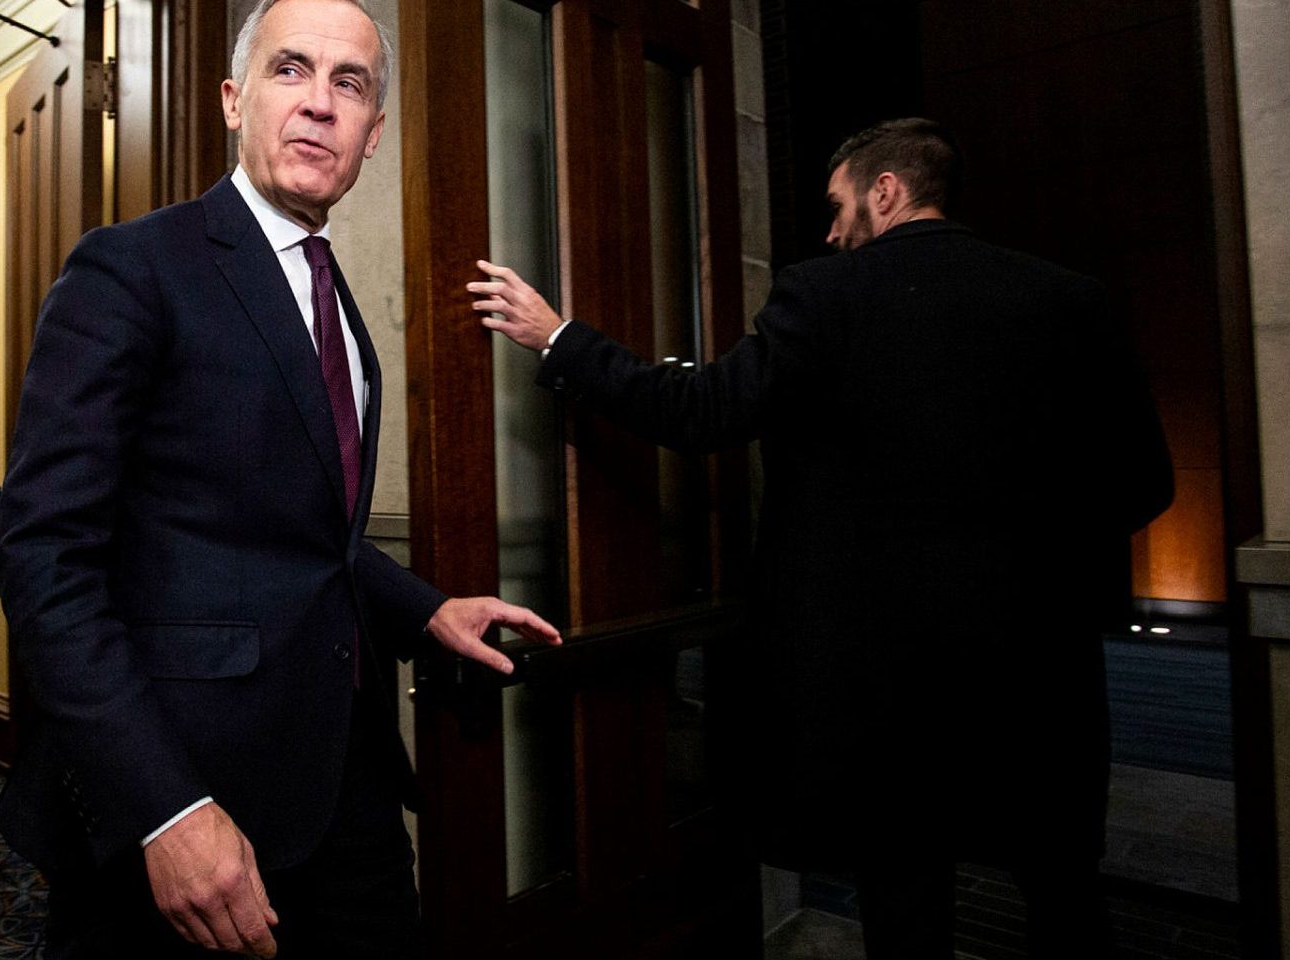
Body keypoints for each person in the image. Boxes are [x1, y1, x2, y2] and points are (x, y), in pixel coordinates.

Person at [469, 117, 1174, 958]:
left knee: (906, 907)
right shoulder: (1073, 300)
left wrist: (559, 337)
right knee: (1065, 898)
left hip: (890, 690)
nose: (832, 231)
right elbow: (1145, 482)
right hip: (1041, 677)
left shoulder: (826, 294)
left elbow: (705, 412)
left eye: (839, 206)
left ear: (887, 191)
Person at [0, 1, 561, 957]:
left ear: (373, 132)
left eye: (350, 84)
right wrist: (165, 808)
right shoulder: (132, 267)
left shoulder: (333, 299)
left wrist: (426, 609)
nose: (320, 103)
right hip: (188, 790)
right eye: (290, 69)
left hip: (346, 782)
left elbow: (302, 533)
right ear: (233, 100)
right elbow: (43, 558)